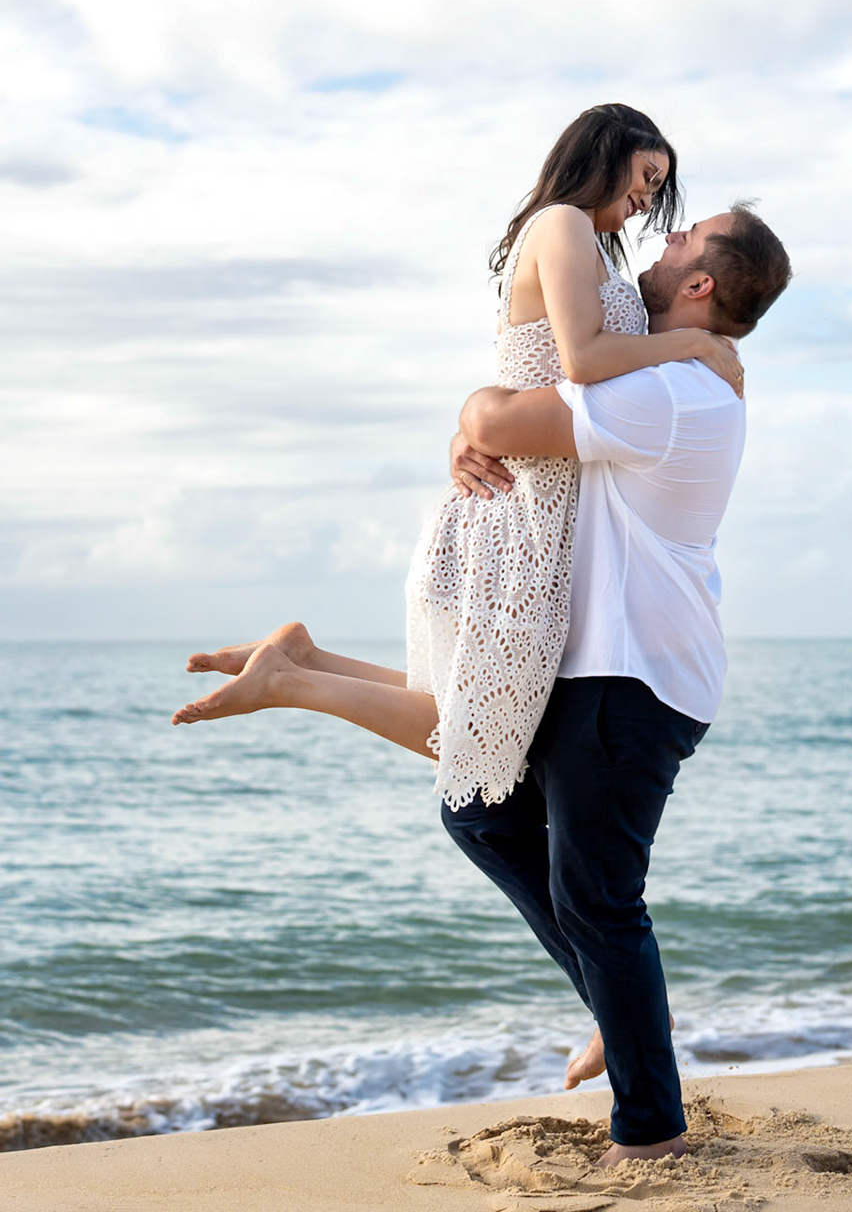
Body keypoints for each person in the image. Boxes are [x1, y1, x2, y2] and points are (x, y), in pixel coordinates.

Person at [179, 194, 794, 1163]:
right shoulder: (683, 380)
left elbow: (504, 415)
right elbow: (519, 421)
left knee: (598, 897)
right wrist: (479, 428)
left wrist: (474, 420)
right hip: (608, 661)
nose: (661, 237)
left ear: (703, 280)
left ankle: (652, 1131)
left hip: (630, 677)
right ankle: (302, 662)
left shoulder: (668, 391)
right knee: (481, 813)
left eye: (682, 235)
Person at [170, 103, 742, 815]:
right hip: (517, 512)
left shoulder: (588, 245)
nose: (650, 198)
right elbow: (584, 360)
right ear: (605, 154)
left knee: (477, 706)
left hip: (536, 509)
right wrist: (695, 344)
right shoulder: (563, 223)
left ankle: (305, 657)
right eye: (647, 175)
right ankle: (292, 683)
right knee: (484, 734)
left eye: (660, 187)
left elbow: (557, 378)